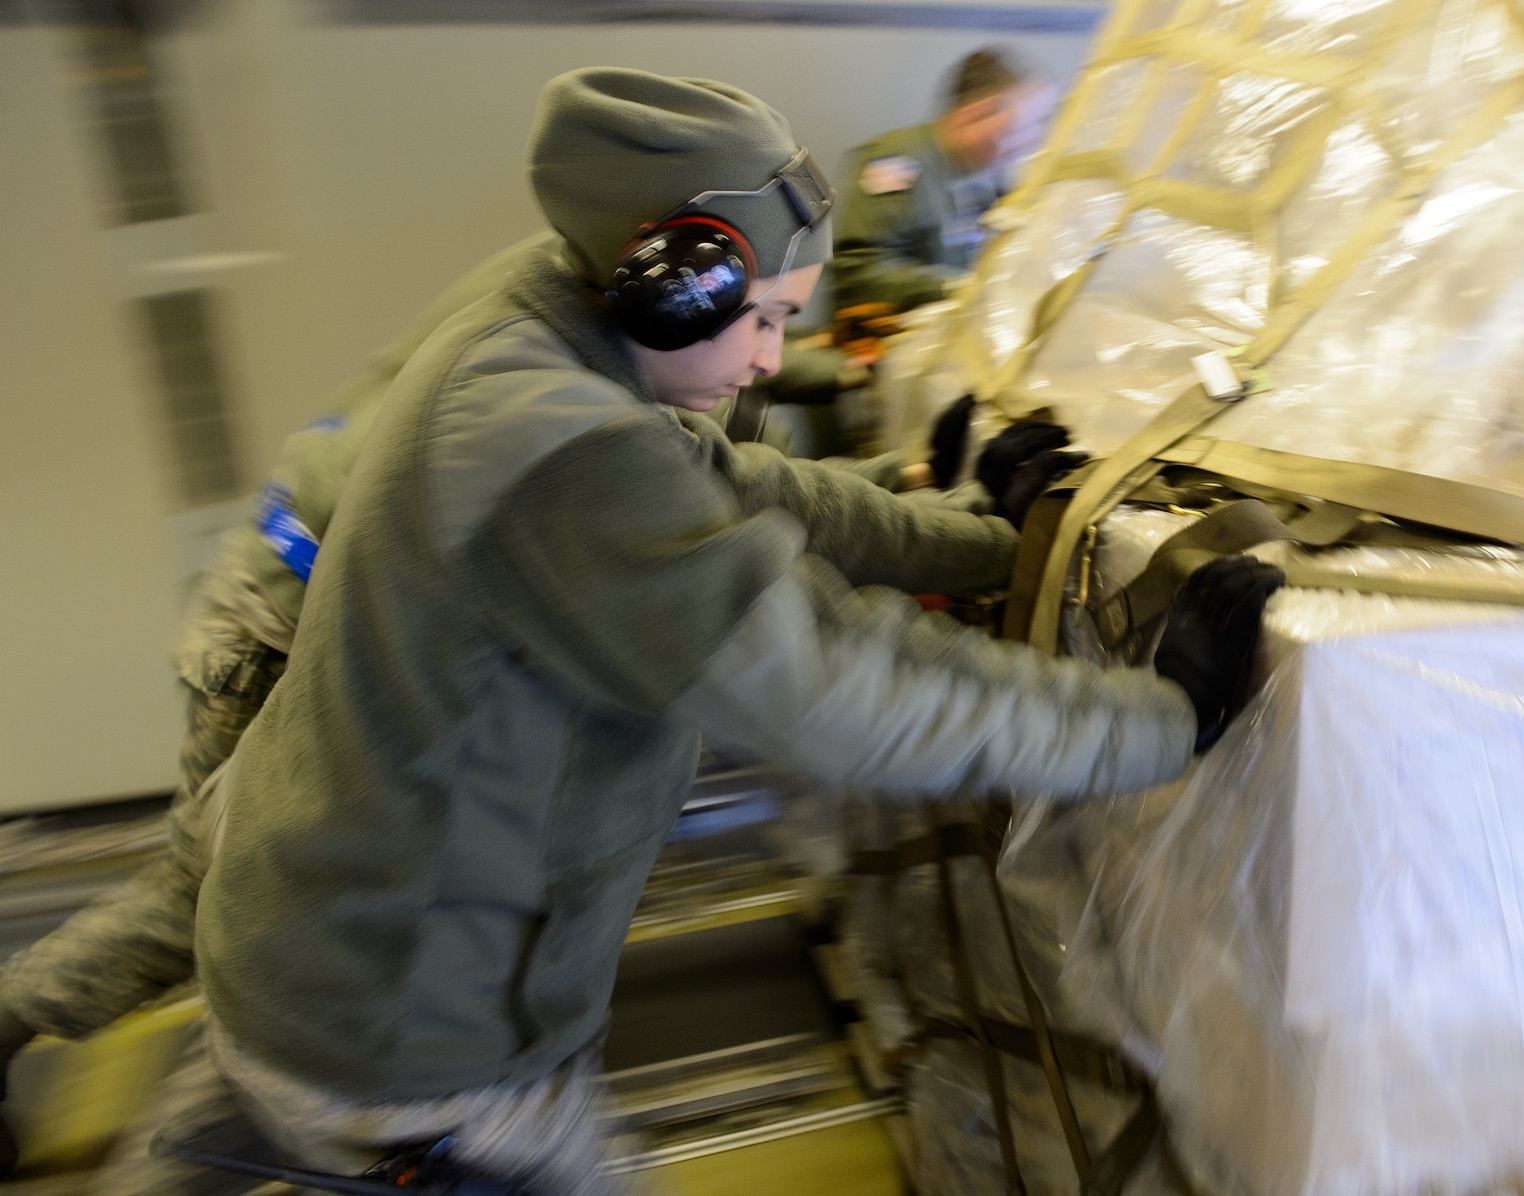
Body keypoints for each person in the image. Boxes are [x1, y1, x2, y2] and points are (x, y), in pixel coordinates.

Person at [97, 68, 1279, 1195]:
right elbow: (837, 688)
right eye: (761, 318)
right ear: (674, 283)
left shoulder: (545, 331)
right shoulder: (562, 447)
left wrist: (977, 527)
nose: (771, 357)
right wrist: (1157, 723)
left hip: (296, 953)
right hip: (414, 1036)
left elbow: (758, 494)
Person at [831, 47, 1041, 314]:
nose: (1027, 145)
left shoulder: (992, 178)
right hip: (883, 341)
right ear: (975, 116)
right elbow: (859, 273)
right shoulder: (895, 162)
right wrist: (958, 288)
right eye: (1019, 129)